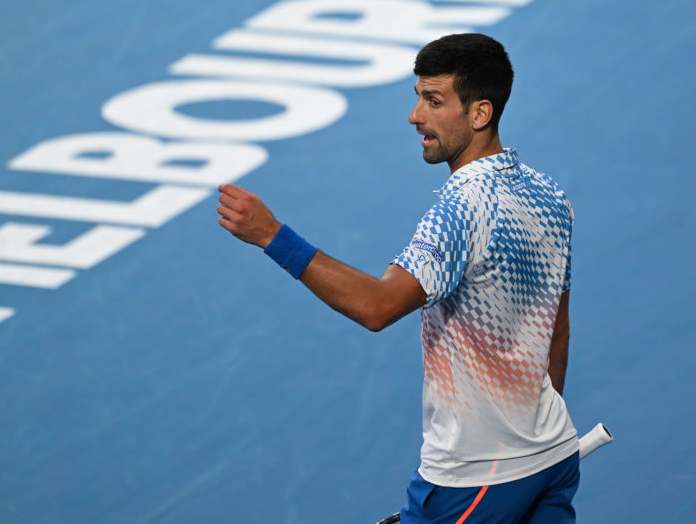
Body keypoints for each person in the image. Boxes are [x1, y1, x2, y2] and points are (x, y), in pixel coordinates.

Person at [217, 33, 579, 523]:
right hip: (554, 454)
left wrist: (273, 236)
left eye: (433, 101)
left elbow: (379, 306)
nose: (415, 116)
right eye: (417, 98)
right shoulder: (549, 197)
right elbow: (557, 330)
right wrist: (531, 438)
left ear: (480, 113)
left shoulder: (460, 210)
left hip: (475, 478)